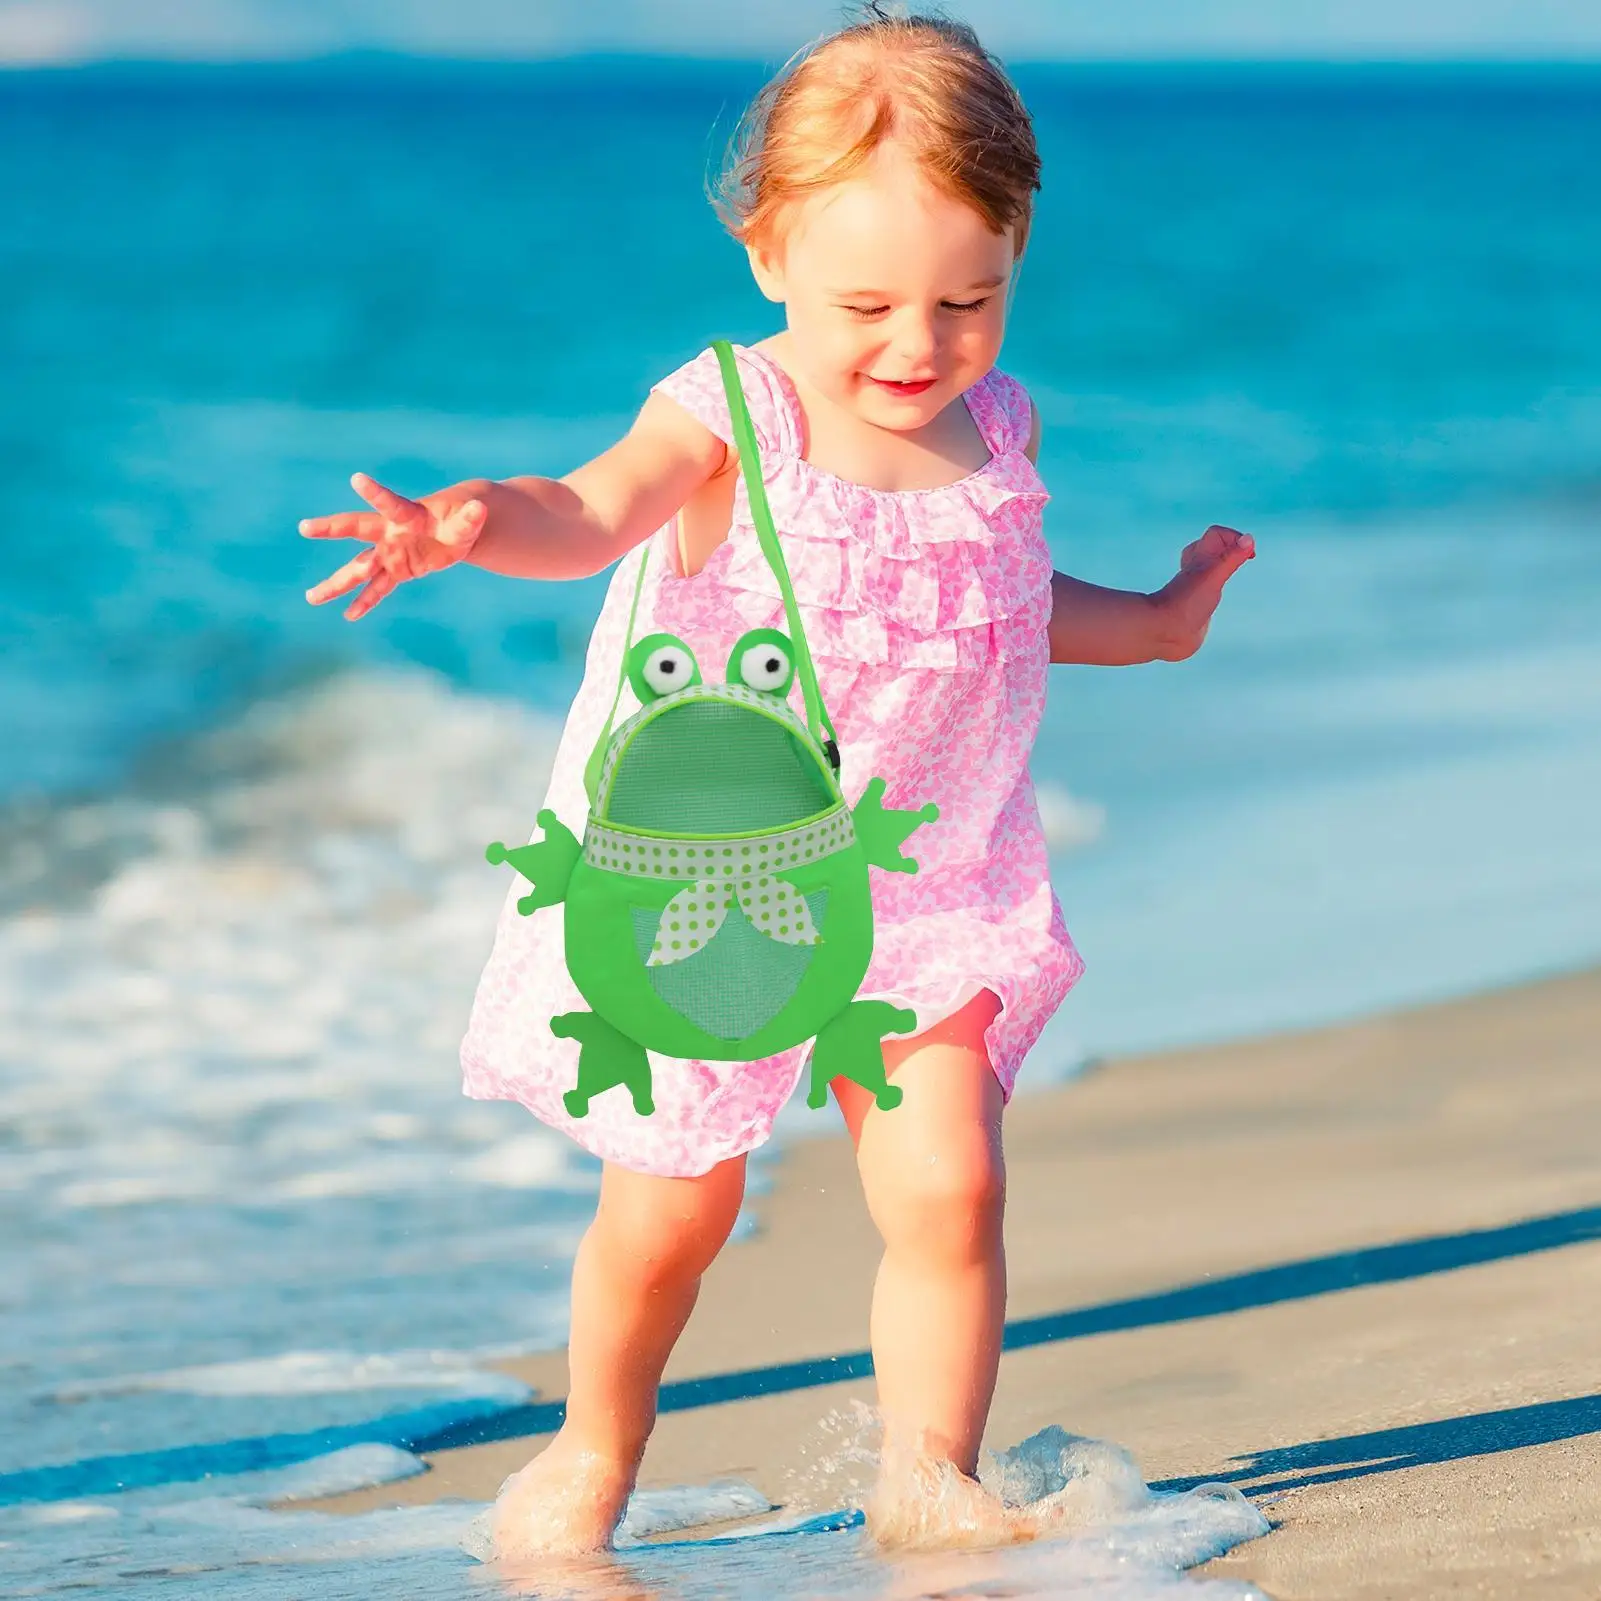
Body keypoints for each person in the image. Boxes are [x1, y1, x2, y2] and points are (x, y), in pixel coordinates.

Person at [299, 4, 1254, 1562]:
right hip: (706, 885)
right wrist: (477, 521)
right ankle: (591, 1455)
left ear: (1017, 247)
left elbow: (993, 598)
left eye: (968, 297)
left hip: (930, 882)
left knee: (949, 1188)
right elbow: (588, 506)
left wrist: (1149, 625)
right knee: (674, 1215)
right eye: (866, 301)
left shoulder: (995, 426)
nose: (915, 345)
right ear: (767, 256)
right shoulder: (733, 415)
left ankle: (929, 1474)